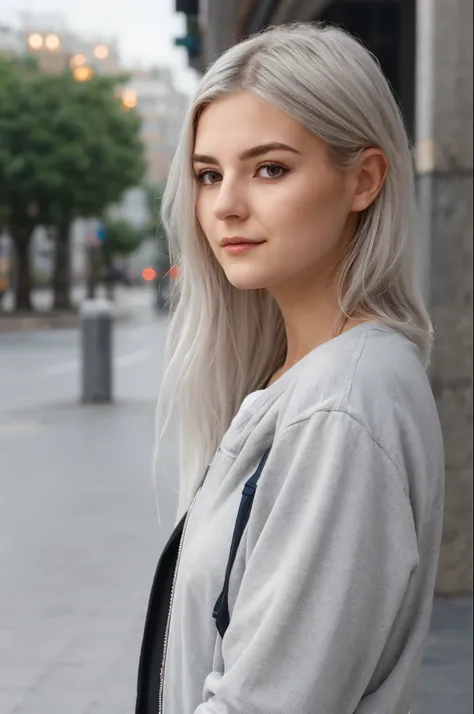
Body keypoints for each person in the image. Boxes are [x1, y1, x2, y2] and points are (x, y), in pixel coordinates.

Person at [135, 22, 445, 714]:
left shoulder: (342, 404)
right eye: (208, 174)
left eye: (269, 168)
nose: (225, 205)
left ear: (363, 180)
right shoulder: (304, 378)